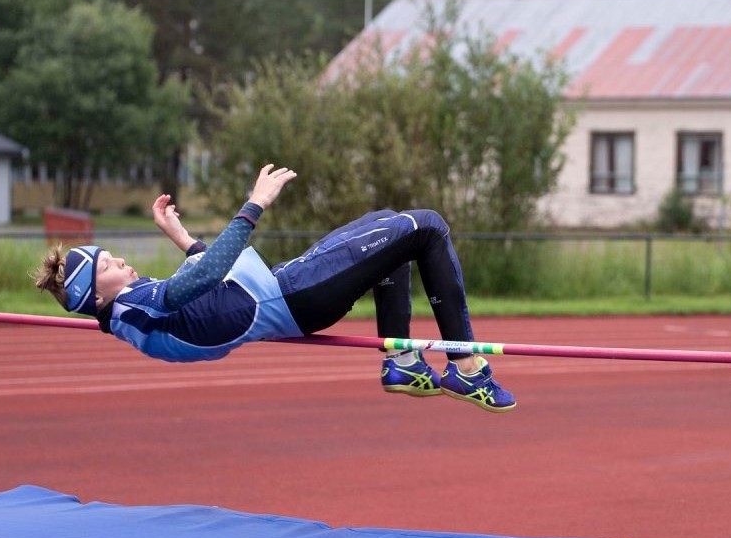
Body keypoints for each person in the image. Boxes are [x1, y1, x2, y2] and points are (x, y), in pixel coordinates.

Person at [34, 164, 515, 412]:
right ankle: (466, 366)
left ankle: (404, 365)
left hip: (288, 285)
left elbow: (205, 291)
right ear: (97, 296)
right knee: (426, 226)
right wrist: (254, 204)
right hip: (297, 293)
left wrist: (180, 236)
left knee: (388, 225)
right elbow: (204, 278)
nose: (118, 259)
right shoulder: (137, 308)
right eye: (106, 265)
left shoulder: (130, 314)